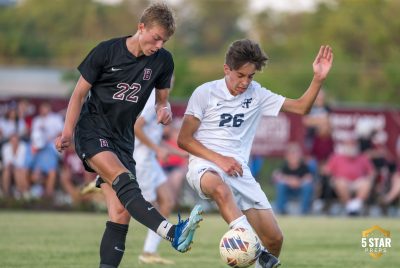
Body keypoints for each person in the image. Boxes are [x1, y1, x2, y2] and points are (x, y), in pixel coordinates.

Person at [55, 3, 203, 268]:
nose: (158, 44)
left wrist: (163, 109)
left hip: (123, 140)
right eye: (156, 37)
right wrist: (67, 131)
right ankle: (172, 233)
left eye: (164, 40)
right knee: (122, 178)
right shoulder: (106, 51)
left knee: (121, 214)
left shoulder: (163, 61)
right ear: (141, 27)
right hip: (93, 130)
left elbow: (161, 100)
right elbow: (78, 94)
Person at [177, 39, 333, 268]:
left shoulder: (257, 94)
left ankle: (261, 257)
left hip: (238, 170)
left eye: (250, 76)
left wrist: (318, 78)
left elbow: (301, 107)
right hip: (205, 164)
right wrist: (220, 159)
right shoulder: (205, 93)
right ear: (226, 69)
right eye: (240, 75)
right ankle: (256, 250)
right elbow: (184, 139)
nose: (245, 82)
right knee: (218, 186)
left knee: (275, 239)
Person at [133, 90, 175, 265]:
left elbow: (156, 140)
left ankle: (149, 251)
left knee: (167, 201)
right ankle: (104, 182)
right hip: (142, 160)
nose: (169, 82)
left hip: (150, 158)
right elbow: (136, 128)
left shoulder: (164, 103)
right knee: (148, 207)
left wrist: (183, 154)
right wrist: (157, 150)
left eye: (171, 78)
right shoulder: (152, 101)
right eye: (166, 77)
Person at [274, 143, 313, 215]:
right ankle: (280, 209)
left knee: (307, 187)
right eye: (291, 154)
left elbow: (309, 178)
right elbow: (277, 176)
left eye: (295, 154)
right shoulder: (284, 167)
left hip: (300, 188)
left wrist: (299, 182)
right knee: (280, 185)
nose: (293, 156)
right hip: (288, 189)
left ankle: (305, 211)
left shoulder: (304, 167)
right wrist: (290, 180)